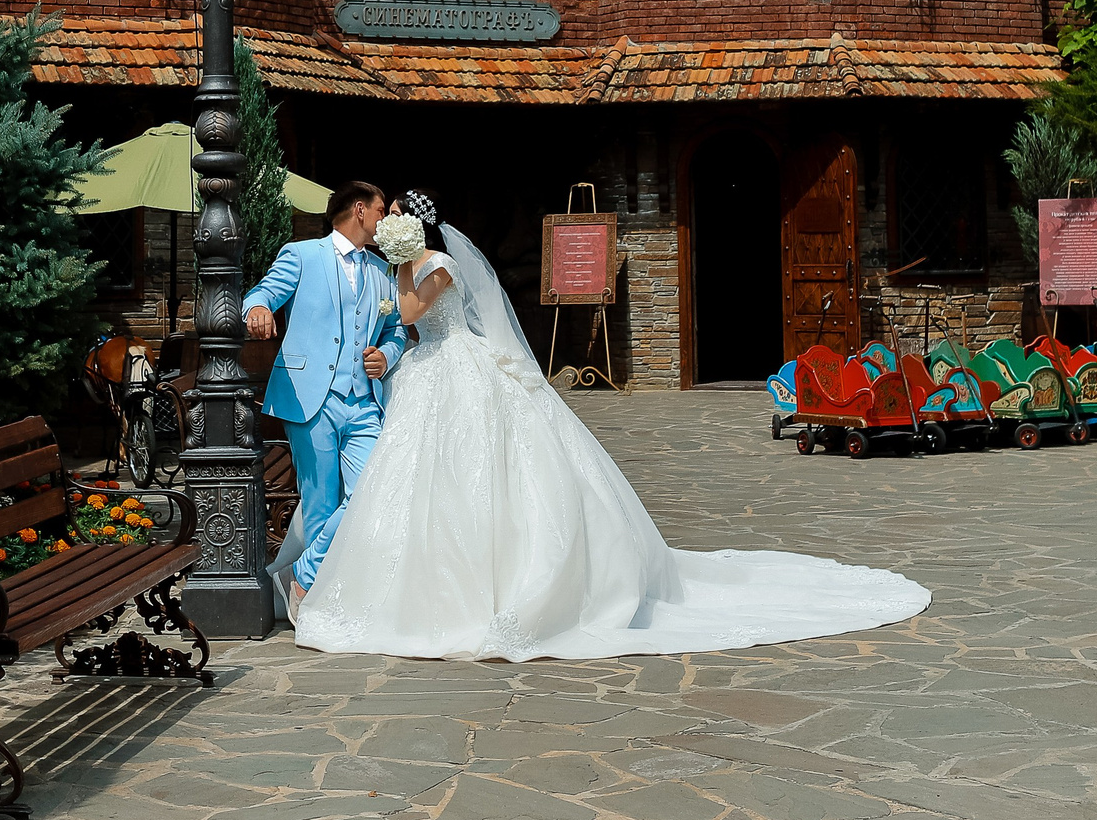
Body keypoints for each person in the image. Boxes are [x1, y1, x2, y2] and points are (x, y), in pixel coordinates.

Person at [283, 189, 929, 660]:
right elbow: (410, 324)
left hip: (457, 369)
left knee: (473, 470)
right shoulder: (413, 262)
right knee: (417, 481)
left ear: (415, 231)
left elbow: (411, 309)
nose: (388, 228)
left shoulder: (438, 266)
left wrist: (398, 265)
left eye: (396, 224)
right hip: (428, 371)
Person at [242, 180, 406, 615]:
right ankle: (317, 602)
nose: (385, 220)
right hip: (309, 396)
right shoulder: (302, 254)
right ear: (359, 210)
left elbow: (397, 332)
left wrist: (385, 356)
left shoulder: (381, 271)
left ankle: (301, 577)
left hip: (363, 401)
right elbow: (261, 294)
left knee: (372, 490)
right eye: (381, 211)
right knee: (320, 503)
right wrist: (257, 310)